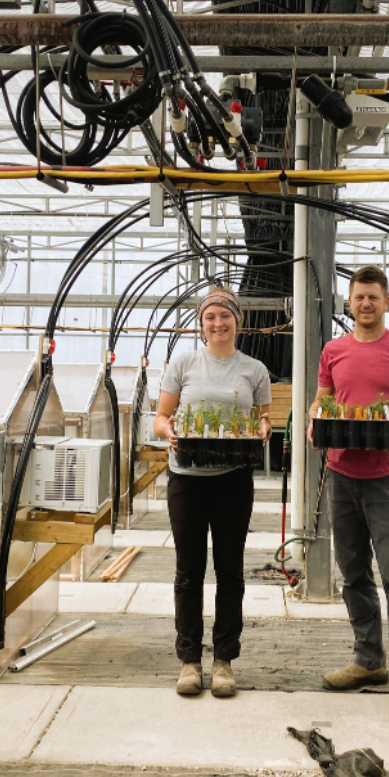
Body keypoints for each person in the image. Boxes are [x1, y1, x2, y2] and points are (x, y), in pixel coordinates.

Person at [308, 265, 389, 722]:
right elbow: (323, 401)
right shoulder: (334, 350)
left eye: (373, 297)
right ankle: (369, 660)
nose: (365, 304)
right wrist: (312, 423)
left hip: (384, 477)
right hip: (341, 474)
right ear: (350, 302)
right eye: (358, 297)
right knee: (354, 573)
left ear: (386, 302)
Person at [154, 287, 272, 698]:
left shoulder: (255, 369)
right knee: (188, 572)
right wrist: (170, 432)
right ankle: (189, 660)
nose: (218, 323)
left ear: (237, 321)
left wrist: (262, 430)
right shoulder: (183, 363)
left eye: (225, 316)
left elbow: (262, 421)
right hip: (185, 478)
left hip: (232, 479)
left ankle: (223, 660)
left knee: (230, 571)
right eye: (210, 317)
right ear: (201, 323)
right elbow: (161, 418)